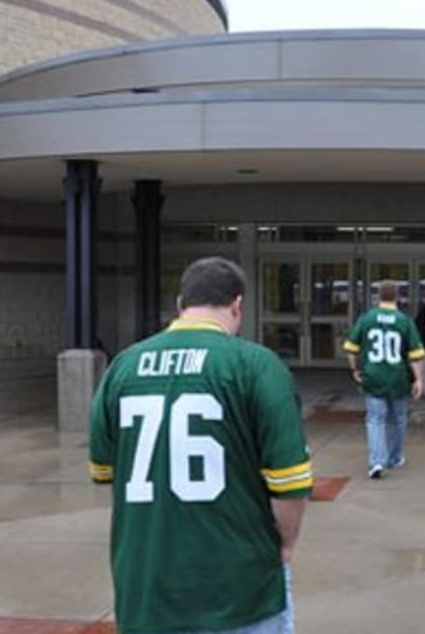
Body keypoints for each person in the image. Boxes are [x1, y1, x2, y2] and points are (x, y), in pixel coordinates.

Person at [89, 256, 310, 634]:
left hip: (146, 588)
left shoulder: (122, 367)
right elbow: (289, 483)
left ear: (181, 305)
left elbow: (105, 471)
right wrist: (285, 546)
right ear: (238, 305)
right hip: (238, 591)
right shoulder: (257, 366)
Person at [345, 281, 425, 479]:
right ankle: (394, 457)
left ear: (378, 296)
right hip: (398, 377)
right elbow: (416, 355)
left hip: (372, 376)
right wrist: (419, 380)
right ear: (397, 296)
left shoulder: (366, 319)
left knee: (375, 419)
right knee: (398, 418)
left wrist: (355, 368)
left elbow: (350, 348)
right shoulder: (404, 321)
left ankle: (376, 462)